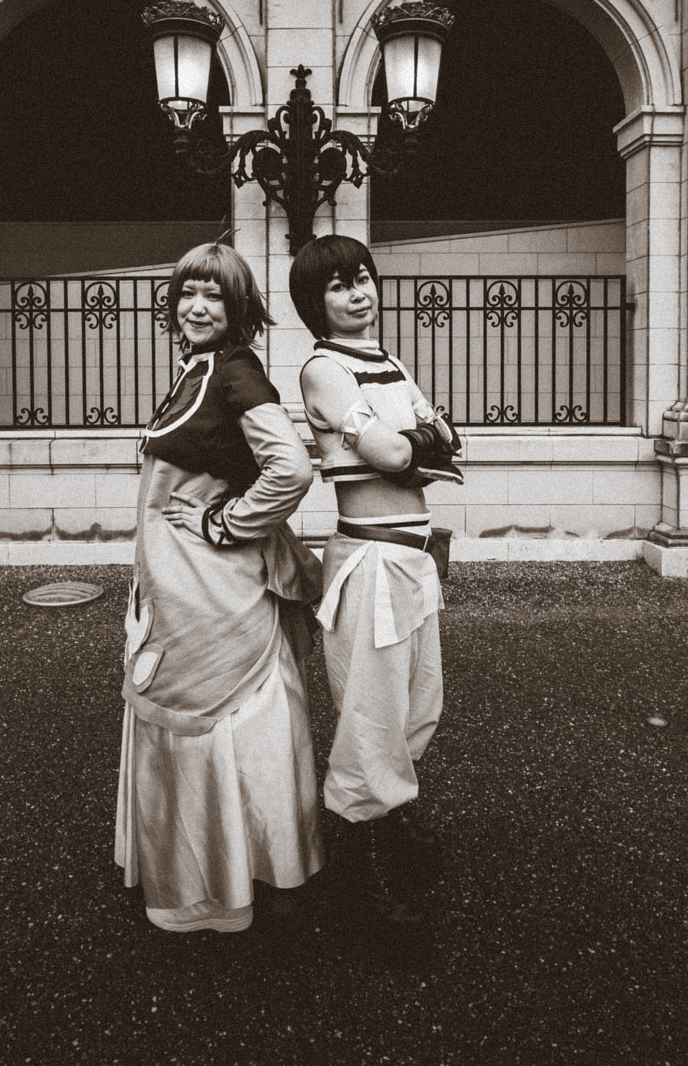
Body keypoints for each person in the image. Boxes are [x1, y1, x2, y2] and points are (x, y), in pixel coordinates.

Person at [114, 242, 325, 934]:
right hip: (180, 586)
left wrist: (223, 522)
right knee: (208, 718)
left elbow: (290, 468)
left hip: (213, 589)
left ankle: (244, 876)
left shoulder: (235, 371)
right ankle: (231, 868)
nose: (197, 307)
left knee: (227, 718)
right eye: (188, 293)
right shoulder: (198, 370)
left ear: (238, 308)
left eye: (214, 295)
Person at [288, 235, 463, 932]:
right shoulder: (324, 369)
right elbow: (398, 449)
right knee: (371, 716)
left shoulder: (387, 360)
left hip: (413, 560)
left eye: (363, 278)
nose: (358, 293)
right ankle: (364, 881)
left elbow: (447, 441)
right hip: (370, 561)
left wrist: (416, 444)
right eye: (339, 285)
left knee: (420, 705)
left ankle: (390, 825)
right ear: (316, 302)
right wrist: (419, 443)